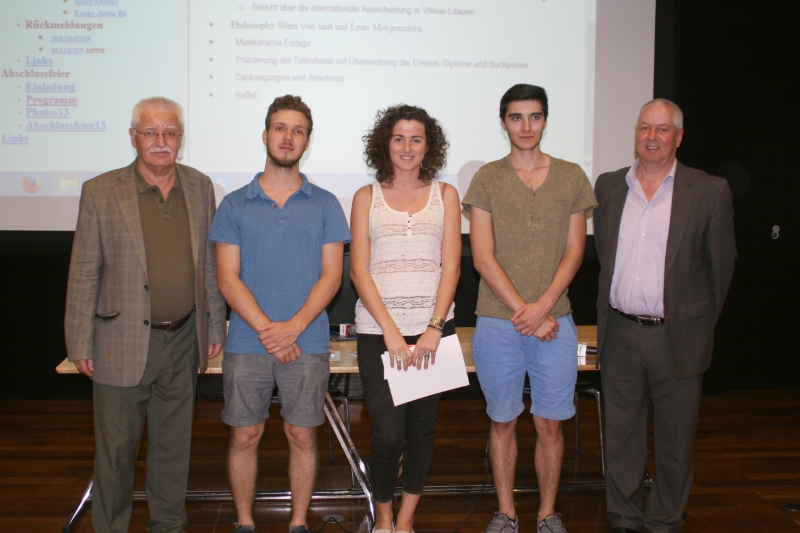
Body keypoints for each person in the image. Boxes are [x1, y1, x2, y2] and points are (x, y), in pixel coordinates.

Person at [64, 96, 228, 533]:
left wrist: (214, 323)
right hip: (118, 342)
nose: (161, 141)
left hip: (184, 337)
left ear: (181, 138)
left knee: (173, 448)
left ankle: (168, 526)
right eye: (151, 132)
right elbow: (84, 270)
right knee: (117, 452)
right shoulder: (101, 191)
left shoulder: (199, 186)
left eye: (170, 133)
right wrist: (79, 342)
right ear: (133, 137)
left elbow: (209, 264)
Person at [209, 95, 351, 533]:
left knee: (302, 435)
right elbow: (228, 278)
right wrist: (271, 332)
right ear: (265, 135)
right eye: (280, 128)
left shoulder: (326, 203)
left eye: (298, 130)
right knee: (244, 435)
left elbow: (332, 277)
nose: (288, 137)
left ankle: (298, 523)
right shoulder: (234, 204)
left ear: (307, 141)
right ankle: (245, 523)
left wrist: (293, 328)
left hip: (306, 342)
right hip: (247, 342)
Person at [594, 99, 736, 533]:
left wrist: (695, 324)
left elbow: (721, 268)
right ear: (635, 133)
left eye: (662, 129)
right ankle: (624, 517)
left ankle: (664, 519)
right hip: (620, 332)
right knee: (621, 435)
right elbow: (604, 254)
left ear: (678, 137)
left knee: (675, 439)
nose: (652, 137)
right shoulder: (610, 185)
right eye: (644, 128)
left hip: (676, 334)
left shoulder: (709, 190)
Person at [462, 84, 597, 533]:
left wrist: (542, 308)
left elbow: (575, 252)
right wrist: (527, 312)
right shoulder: (487, 178)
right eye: (516, 117)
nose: (526, 126)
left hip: (556, 321)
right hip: (497, 321)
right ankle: (506, 513)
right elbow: (482, 258)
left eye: (535, 116)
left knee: (549, 425)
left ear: (545, 120)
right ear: (503, 122)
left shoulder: (571, 176)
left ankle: (547, 514)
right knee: (502, 422)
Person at [350, 105, 461, 533]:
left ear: (429, 146)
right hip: (379, 334)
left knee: (422, 432)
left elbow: (451, 267)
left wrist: (434, 327)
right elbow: (359, 271)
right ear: (386, 143)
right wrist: (392, 333)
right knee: (387, 434)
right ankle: (383, 520)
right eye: (399, 138)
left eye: (417, 139)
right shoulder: (366, 197)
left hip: (432, 332)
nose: (407, 147)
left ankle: (406, 521)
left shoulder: (446, 195)